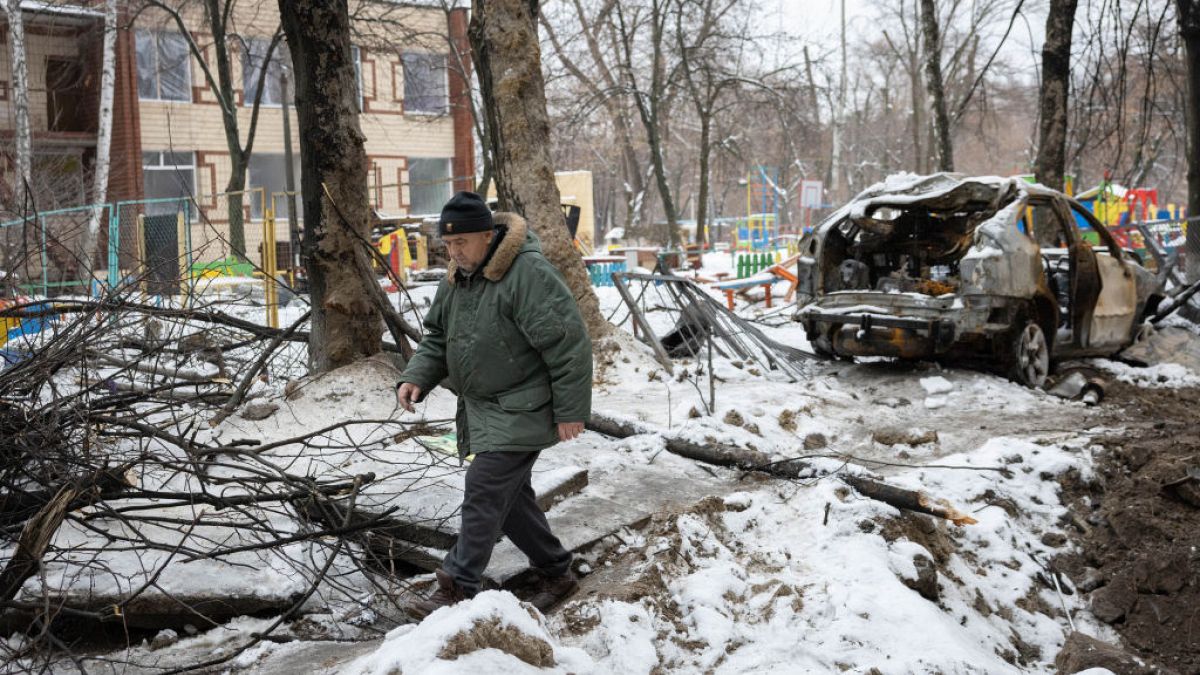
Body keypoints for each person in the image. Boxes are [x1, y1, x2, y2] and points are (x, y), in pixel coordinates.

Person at [395, 191, 592, 619]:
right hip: (484, 408)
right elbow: (437, 337)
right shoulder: (459, 277)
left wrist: (571, 409)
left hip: (526, 405)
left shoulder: (527, 274)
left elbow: (567, 343)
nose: (454, 252)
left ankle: (456, 586)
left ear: (488, 235)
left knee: (484, 488)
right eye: (447, 245)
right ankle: (557, 571)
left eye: (461, 243)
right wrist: (417, 376)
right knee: (510, 500)